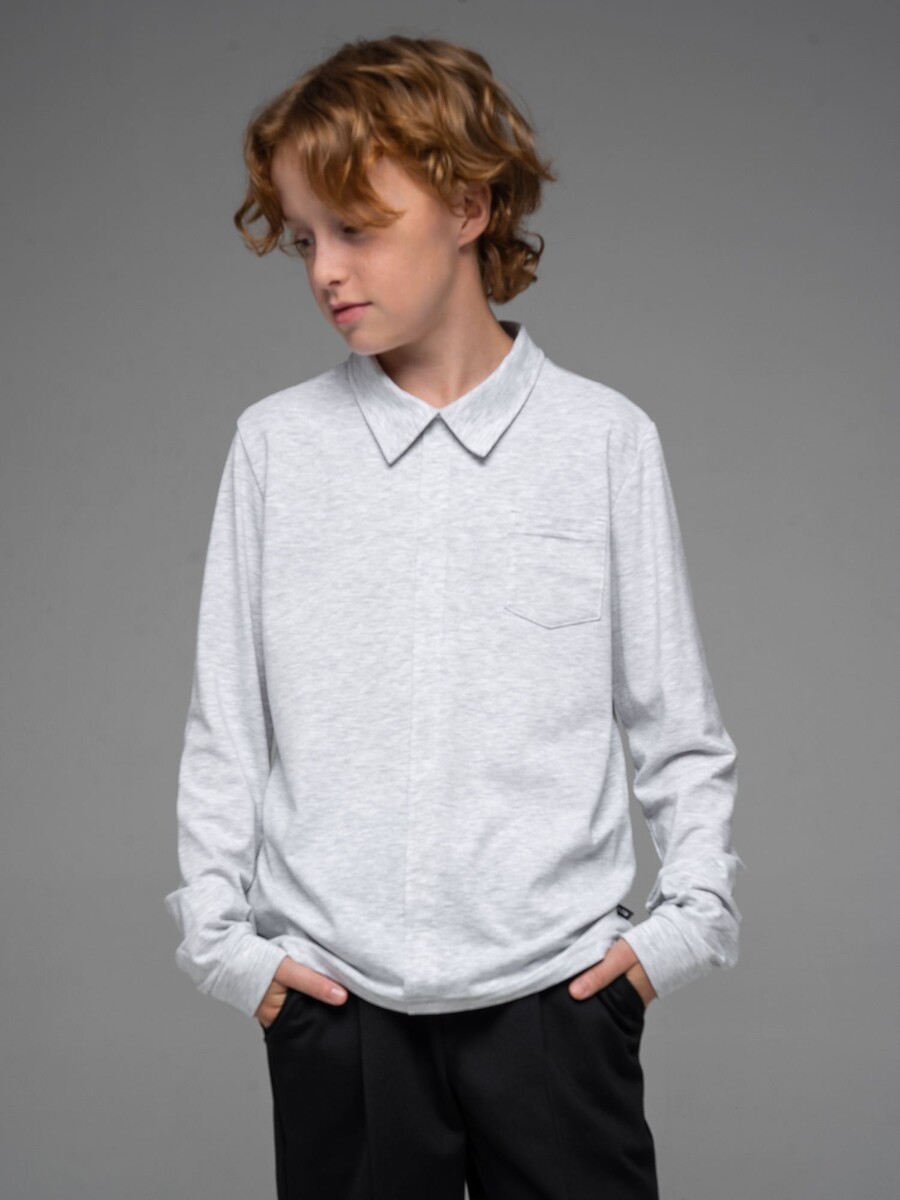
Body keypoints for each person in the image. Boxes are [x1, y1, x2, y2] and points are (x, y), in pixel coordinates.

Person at [164, 33, 745, 1200]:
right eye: (305, 238)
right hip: (338, 1007)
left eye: (356, 227)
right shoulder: (276, 447)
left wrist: (687, 927)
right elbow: (228, 726)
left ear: (470, 206)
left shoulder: (603, 442)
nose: (327, 270)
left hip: (559, 1001)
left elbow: (675, 724)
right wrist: (225, 951)